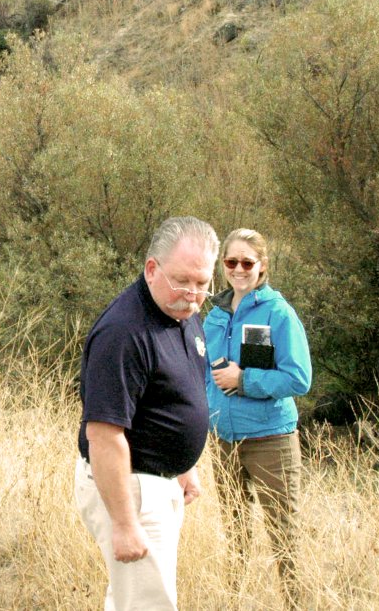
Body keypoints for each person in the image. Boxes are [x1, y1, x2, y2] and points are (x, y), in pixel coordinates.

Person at [75, 216, 219, 611]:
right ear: (151, 268)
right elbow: (103, 435)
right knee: (147, 605)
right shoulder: (123, 332)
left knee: (134, 600)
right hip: (130, 487)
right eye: (182, 281)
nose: (192, 294)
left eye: (202, 284)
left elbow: (173, 394)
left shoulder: (183, 317)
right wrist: (123, 524)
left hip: (159, 480)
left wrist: (183, 465)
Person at [204, 228, 311, 607]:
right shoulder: (215, 316)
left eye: (247, 262)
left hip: (270, 440)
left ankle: (295, 603)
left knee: (285, 537)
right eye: (231, 262)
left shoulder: (278, 313)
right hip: (224, 441)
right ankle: (232, 600)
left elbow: (299, 378)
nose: (238, 269)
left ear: (262, 266)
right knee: (234, 533)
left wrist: (245, 380)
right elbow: (205, 374)